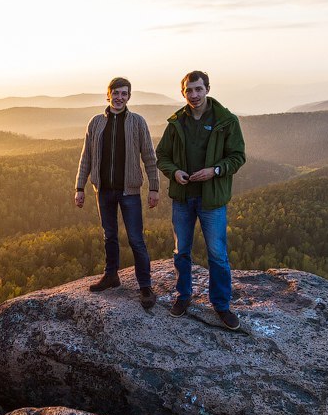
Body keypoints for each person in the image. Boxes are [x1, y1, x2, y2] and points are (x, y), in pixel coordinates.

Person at [156, 70, 246, 328]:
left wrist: (215, 170)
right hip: (183, 197)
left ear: (207, 88)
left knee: (217, 254)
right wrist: (175, 173)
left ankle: (221, 305)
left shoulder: (226, 121)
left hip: (212, 200)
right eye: (189, 90)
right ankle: (184, 297)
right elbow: (162, 155)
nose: (194, 95)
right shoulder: (177, 123)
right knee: (181, 251)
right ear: (182, 92)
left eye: (198, 89)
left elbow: (238, 156)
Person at [75, 77, 161, 309]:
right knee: (109, 235)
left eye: (124, 94)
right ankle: (111, 275)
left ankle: (145, 285)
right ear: (108, 94)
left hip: (129, 191)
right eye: (116, 93)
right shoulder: (95, 123)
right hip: (103, 190)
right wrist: (79, 187)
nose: (120, 97)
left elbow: (149, 157)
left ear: (129, 97)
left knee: (136, 239)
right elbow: (87, 158)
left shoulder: (137, 122)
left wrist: (154, 187)